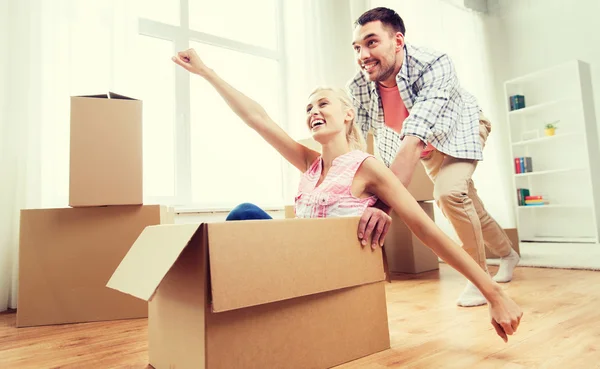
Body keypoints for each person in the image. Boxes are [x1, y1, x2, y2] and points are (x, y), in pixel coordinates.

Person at [171, 47, 522, 342]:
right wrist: (206, 72)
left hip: (330, 276)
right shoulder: (308, 164)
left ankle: (213, 328)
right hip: (295, 263)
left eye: (322, 104)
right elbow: (258, 119)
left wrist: (493, 293)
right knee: (240, 220)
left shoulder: (366, 167)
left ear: (348, 115)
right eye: (308, 109)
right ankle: (201, 328)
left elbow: (427, 231)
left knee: (246, 214)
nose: (313, 112)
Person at [347, 7, 521, 307]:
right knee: (468, 206)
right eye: (357, 47)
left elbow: (415, 136)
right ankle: (508, 254)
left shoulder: (433, 63)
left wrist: (384, 205)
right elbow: (359, 145)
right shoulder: (359, 86)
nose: (363, 54)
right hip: (429, 147)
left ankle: (480, 280)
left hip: (461, 128)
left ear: (397, 41)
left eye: (372, 42)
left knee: (449, 194)